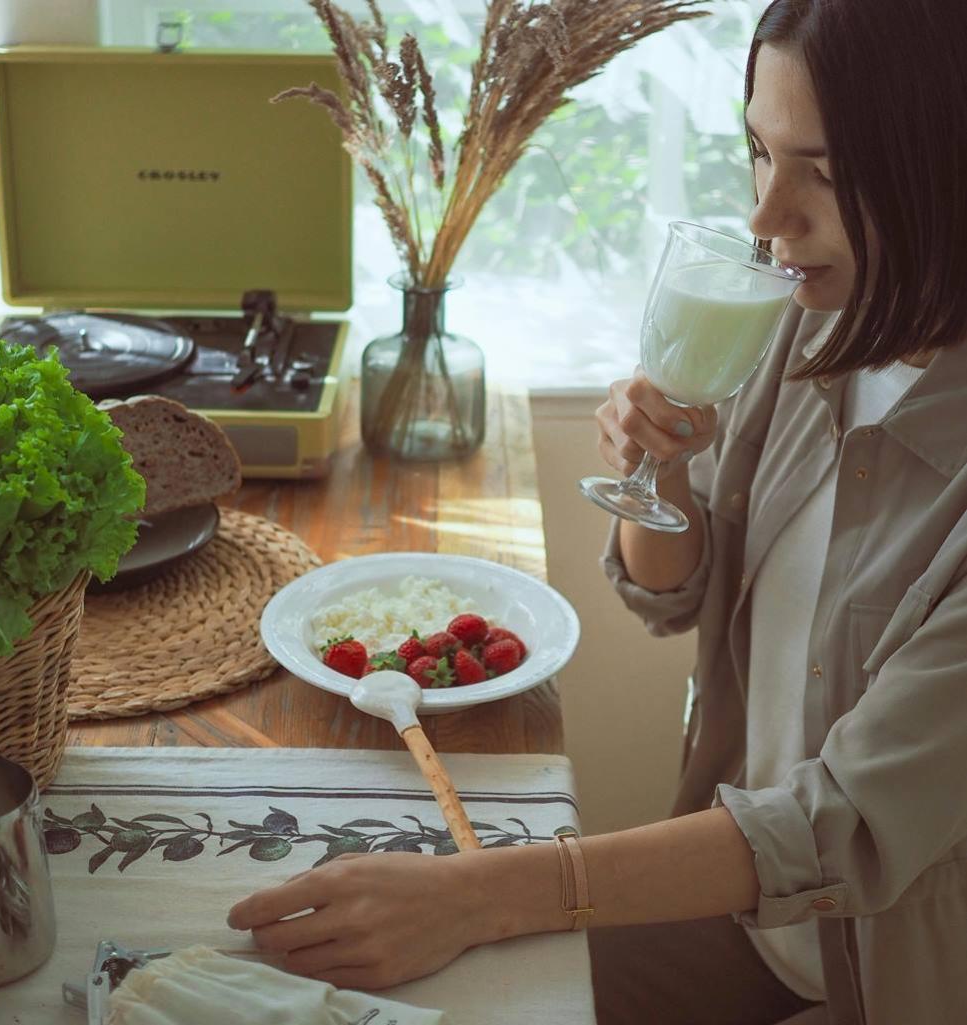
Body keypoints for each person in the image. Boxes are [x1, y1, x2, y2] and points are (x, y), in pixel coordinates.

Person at [225, 0, 967, 1021]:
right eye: (757, 151)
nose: (765, 215)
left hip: (888, 981)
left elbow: (841, 822)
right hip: (745, 920)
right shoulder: (806, 328)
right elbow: (673, 594)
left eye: (825, 173)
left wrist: (478, 892)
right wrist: (655, 471)